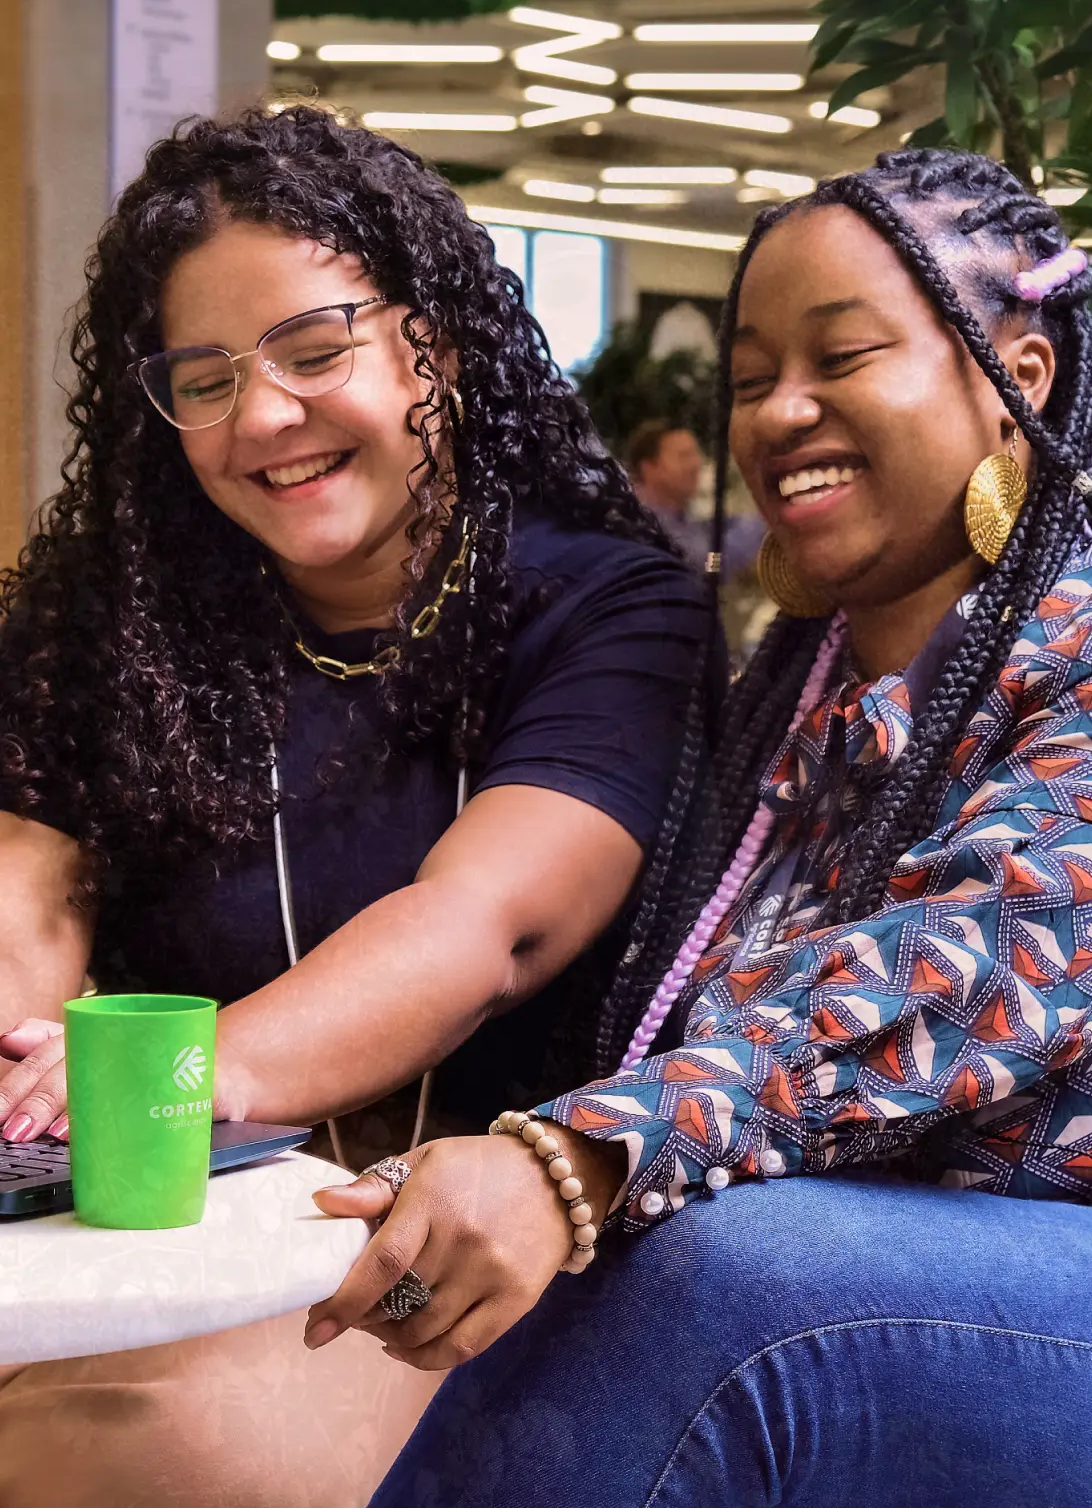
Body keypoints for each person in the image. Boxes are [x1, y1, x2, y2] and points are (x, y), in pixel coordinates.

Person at [307, 149, 1092, 1507]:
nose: (781, 410)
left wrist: (578, 1154)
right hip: (899, 1305)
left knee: (735, 1275)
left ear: (1016, 379)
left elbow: (967, 984)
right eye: (748, 380)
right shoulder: (788, 710)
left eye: (841, 356)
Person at [0, 106, 717, 1508]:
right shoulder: (117, 616)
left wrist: (169, 1084)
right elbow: (30, 883)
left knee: (127, 1445)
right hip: (156, 1226)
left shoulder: (609, 609)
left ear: (427, 348)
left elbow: (484, 927)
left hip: (450, 1246)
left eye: (314, 353)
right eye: (200, 380)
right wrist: (23, 1060)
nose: (263, 416)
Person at [628, 415, 762, 579]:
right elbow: (711, 563)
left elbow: (706, 529)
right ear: (649, 468)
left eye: (696, 453)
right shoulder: (646, 526)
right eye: (684, 456)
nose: (696, 464)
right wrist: (765, 518)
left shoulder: (672, 515)